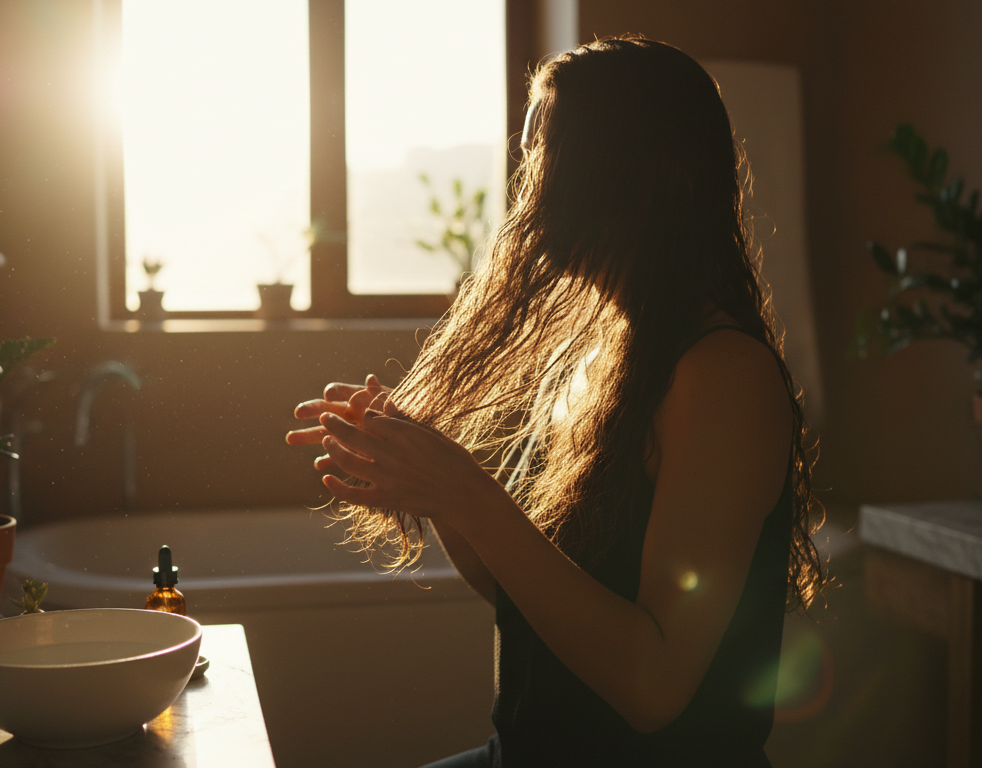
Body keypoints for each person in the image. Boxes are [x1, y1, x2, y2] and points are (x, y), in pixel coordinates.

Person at [285, 36, 826, 768]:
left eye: (548, 155)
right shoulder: (608, 353)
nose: (528, 185)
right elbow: (528, 600)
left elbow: (654, 686)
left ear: (628, 178)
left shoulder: (720, 375)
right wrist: (428, 479)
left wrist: (467, 492)